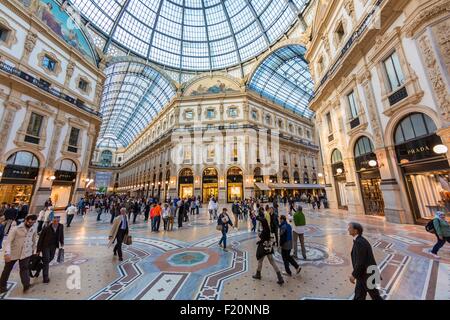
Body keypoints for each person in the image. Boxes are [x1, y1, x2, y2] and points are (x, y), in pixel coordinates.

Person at [0, 214, 38, 293]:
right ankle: (2, 286)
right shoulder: (16, 229)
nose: (31, 224)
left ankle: (26, 285)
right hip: (13, 253)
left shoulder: (33, 228)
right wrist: (7, 253)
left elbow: (34, 240)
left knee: (24, 269)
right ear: (26, 220)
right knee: (7, 270)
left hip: (26, 253)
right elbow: (8, 242)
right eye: (29, 222)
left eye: (33, 223)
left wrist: (34, 250)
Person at [348, 222, 383, 300]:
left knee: (375, 296)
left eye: (350, 228)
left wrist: (353, 275)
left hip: (368, 275)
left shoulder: (360, 242)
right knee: (359, 296)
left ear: (355, 231)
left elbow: (360, 262)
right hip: (363, 275)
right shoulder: (360, 240)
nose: (348, 229)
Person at [252, 216, 284, 285]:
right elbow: (265, 238)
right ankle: (280, 277)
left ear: (263, 224)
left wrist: (259, 235)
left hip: (263, 248)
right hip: (269, 247)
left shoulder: (264, 230)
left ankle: (258, 274)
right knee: (272, 262)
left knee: (260, 261)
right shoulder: (268, 229)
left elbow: (262, 237)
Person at [37, 216, 64, 283]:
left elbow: (61, 234)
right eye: (55, 221)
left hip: (54, 245)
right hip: (45, 246)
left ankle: (40, 267)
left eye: (57, 221)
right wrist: (38, 249)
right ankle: (45, 278)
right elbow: (40, 239)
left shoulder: (61, 226)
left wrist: (62, 242)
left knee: (51, 258)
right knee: (46, 260)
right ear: (52, 221)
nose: (56, 222)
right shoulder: (46, 228)